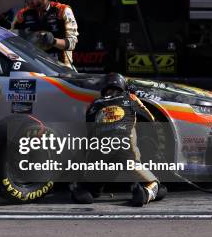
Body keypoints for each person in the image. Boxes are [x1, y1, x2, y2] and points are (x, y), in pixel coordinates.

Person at [70, 73, 167, 207]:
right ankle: (145, 193)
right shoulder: (131, 98)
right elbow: (151, 119)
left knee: (92, 187)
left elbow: (89, 132)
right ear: (123, 87)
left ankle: (82, 187)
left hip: (99, 154)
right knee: (159, 187)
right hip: (126, 153)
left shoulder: (94, 104)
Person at [11, 0, 78, 69]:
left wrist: (53, 41)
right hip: (33, 68)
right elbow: (10, 41)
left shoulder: (63, 11)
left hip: (61, 68)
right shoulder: (22, 15)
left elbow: (72, 43)